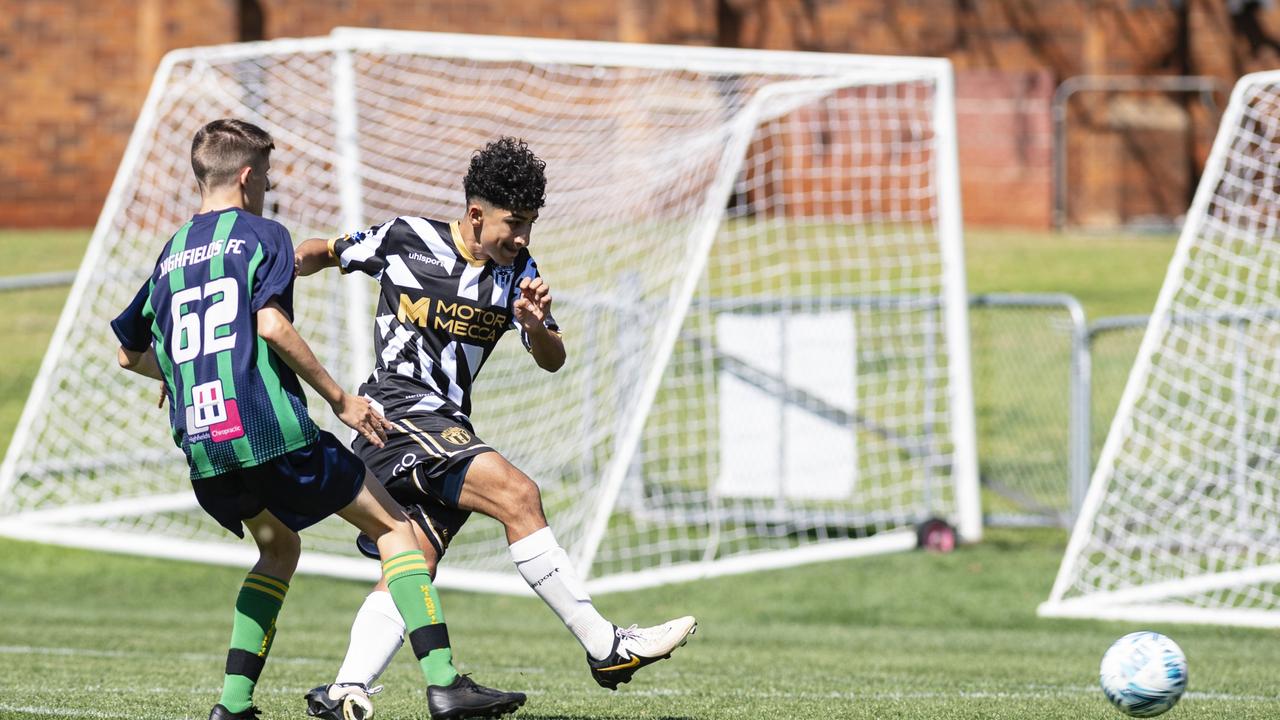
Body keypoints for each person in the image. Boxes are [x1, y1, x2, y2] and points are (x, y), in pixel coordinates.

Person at [111, 119, 525, 720]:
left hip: (204, 442)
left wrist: (177, 375)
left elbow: (127, 351)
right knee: (398, 533)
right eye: (269, 177)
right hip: (269, 429)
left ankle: (233, 706)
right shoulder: (263, 235)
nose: (270, 187)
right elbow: (270, 325)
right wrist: (340, 399)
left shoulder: (170, 253)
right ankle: (444, 683)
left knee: (278, 549)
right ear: (249, 177)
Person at [293, 136, 697, 719]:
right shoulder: (408, 237)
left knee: (415, 561)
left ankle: (345, 690)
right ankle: (607, 646)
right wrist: (263, 286)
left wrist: (535, 326)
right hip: (399, 410)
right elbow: (320, 252)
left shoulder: (519, 273)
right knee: (519, 494)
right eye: (515, 223)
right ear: (476, 215)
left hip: (442, 426)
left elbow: (553, 358)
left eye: (531, 224)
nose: (524, 238)